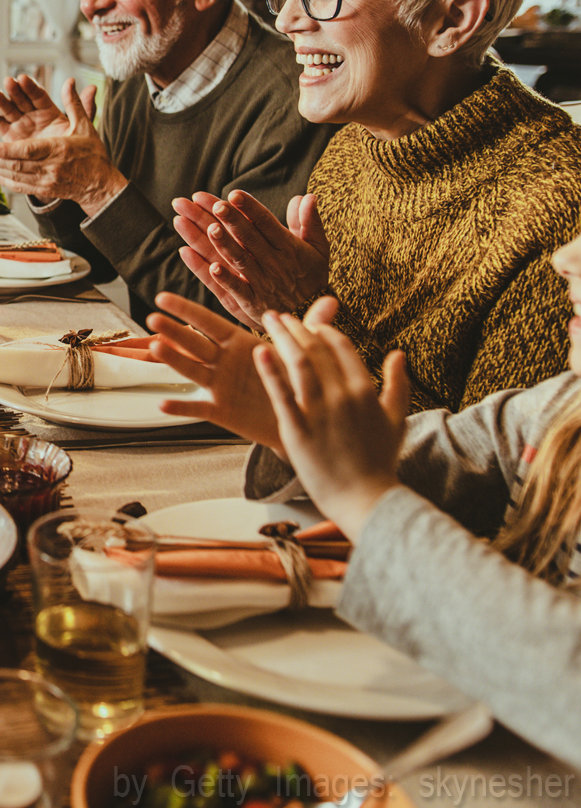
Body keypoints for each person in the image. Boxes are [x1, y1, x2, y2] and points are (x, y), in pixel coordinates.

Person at [143, 236, 581, 766]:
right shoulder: (561, 406)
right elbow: (425, 463)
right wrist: (299, 433)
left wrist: (361, 495)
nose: (565, 258)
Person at [173, 0, 581, 413]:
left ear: (451, 21)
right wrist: (278, 323)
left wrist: (300, 313)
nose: (288, 19)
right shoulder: (353, 150)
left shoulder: (561, 210)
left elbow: (489, 479)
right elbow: (305, 393)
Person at [0, 0, 335, 319]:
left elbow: (231, 316)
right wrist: (60, 186)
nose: (90, 3)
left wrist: (100, 188)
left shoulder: (291, 103)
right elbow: (99, 264)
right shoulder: (136, 70)